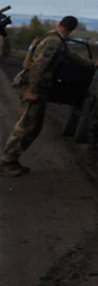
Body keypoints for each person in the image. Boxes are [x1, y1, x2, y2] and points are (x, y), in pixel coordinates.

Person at [2, 16, 78, 175]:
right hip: (34, 87)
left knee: (33, 126)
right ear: (71, 29)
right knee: (26, 126)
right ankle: (7, 161)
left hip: (35, 86)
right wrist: (33, 91)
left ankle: (12, 160)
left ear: (60, 24)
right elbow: (39, 67)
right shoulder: (54, 42)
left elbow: (70, 57)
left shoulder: (51, 38)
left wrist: (92, 64)